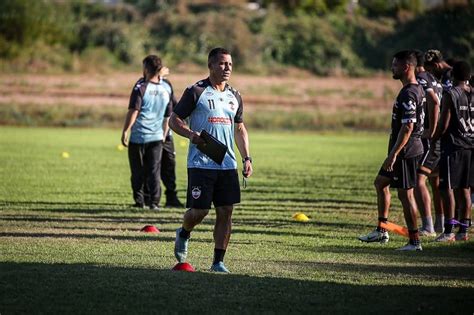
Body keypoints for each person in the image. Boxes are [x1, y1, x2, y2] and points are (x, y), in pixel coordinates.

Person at [169, 47, 253, 272]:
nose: (228, 69)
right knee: (200, 211)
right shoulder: (196, 91)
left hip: (227, 165)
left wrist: (247, 158)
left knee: (226, 211)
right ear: (211, 65)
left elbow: (240, 128)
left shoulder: (235, 96)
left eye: (231, 65)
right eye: (223, 64)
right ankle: (184, 232)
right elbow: (174, 120)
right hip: (200, 163)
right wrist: (191, 135)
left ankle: (218, 262)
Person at [359, 50, 425, 251]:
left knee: (406, 196)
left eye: (395, 65)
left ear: (406, 67)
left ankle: (414, 242)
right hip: (402, 150)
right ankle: (382, 230)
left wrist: (394, 154)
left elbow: (408, 127)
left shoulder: (409, 93)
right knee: (380, 183)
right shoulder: (415, 89)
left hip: (406, 152)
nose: (392, 68)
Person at [121, 55, 172, 210]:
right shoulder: (166, 87)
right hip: (157, 137)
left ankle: (140, 201)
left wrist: (125, 131)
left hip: (138, 136)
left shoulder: (141, 87)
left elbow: (133, 111)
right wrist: (164, 134)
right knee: (154, 171)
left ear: (146, 68)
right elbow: (168, 115)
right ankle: (154, 203)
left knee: (137, 171)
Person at [431, 60, 473, 242]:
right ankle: (463, 230)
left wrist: (433, 139)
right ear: (469, 76)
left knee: (446, 188)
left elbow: (444, 123)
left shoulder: (451, 94)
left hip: (454, 146)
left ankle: (448, 230)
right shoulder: (473, 93)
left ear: (453, 75)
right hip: (471, 147)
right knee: (465, 189)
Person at [413, 50, 444, 236]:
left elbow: (434, 101)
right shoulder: (434, 79)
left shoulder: (422, 78)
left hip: (431, 140)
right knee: (435, 181)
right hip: (440, 139)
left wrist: (431, 130)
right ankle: (439, 224)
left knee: (418, 180)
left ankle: (428, 227)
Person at [157, 66, 185, 208]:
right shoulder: (144, 84)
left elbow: (175, 105)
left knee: (169, 165)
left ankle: (171, 198)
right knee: (152, 167)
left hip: (167, 133)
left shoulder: (167, 84)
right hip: (152, 135)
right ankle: (149, 200)